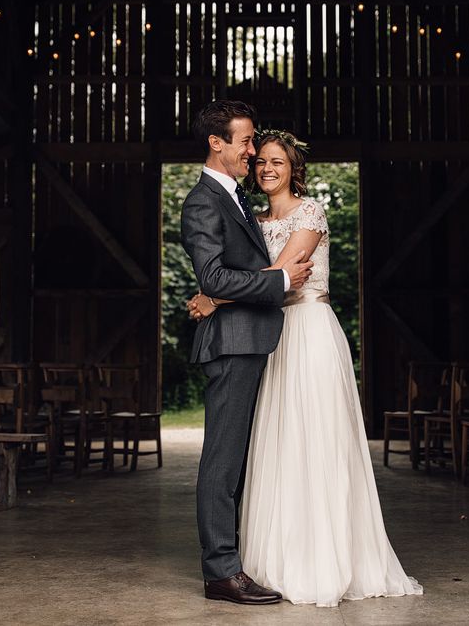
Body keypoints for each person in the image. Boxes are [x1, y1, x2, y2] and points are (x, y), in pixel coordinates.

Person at [188, 130, 424, 607]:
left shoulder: (310, 213)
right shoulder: (251, 220)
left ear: (295, 168)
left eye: (277, 161)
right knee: (275, 447)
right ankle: (272, 558)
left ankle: (324, 559)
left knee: (316, 442)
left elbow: (281, 276)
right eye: (261, 161)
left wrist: (212, 296)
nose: (267, 168)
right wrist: (224, 290)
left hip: (308, 333)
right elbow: (264, 281)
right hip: (270, 339)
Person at [180, 101, 314, 605]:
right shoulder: (202, 202)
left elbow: (221, 282)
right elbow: (212, 278)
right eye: (246, 141)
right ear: (217, 143)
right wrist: (279, 279)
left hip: (251, 340)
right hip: (232, 344)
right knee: (223, 459)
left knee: (242, 459)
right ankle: (220, 572)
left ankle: (237, 560)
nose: (253, 151)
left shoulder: (234, 198)